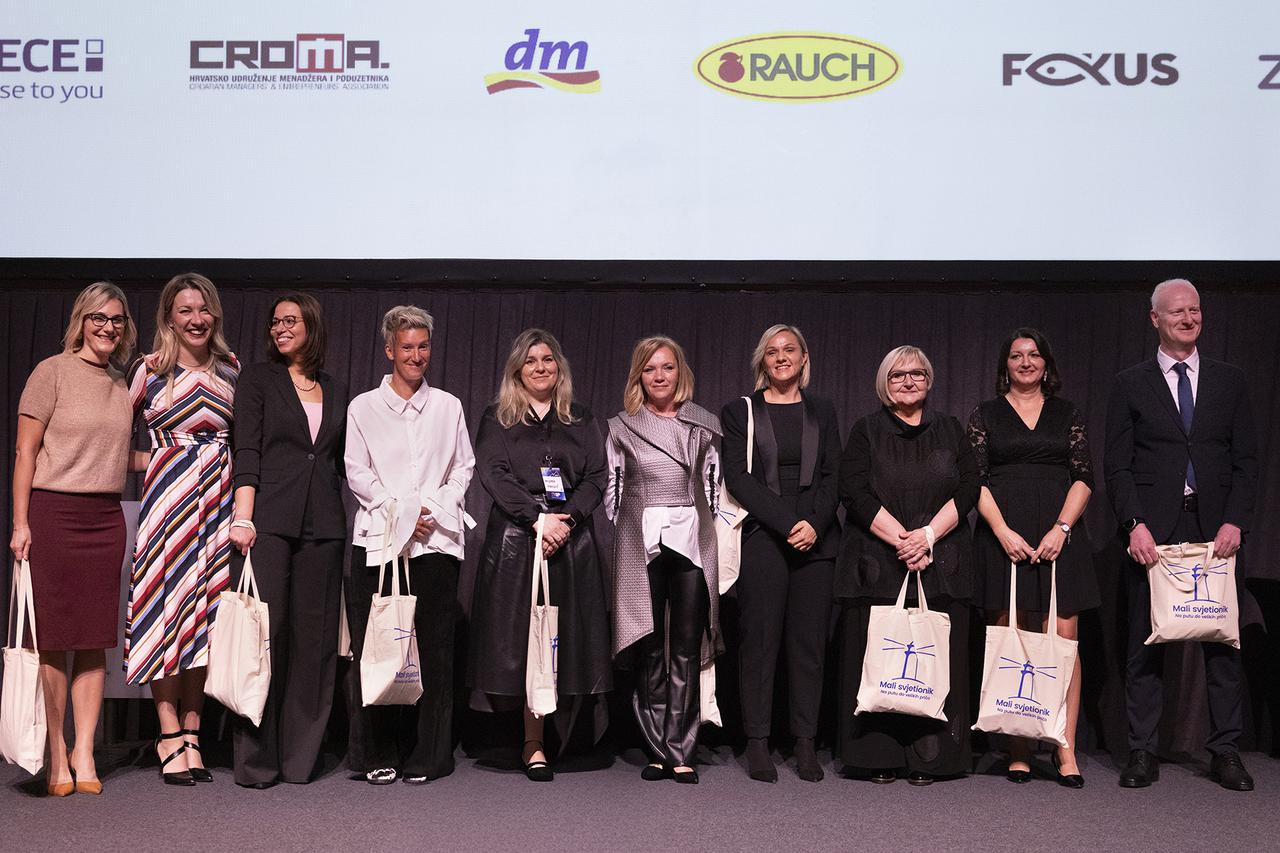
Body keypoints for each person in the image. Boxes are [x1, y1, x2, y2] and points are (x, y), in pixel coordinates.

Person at [1105, 278, 1257, 791]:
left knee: (1223, 646)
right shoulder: (1130, 383)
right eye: (1177, 312)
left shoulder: (1230, 380)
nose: (1189, 319)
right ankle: (1142, 752)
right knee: (1146, 645)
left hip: (1217, 531)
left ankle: (1225, 751)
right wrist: (1134, 524)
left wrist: (1236, 520)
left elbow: (1247, 461)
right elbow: (1117, 466)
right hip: (1152, 532)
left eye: (1194, 310)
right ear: (1155, 319)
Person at [468, 329, 611, 782]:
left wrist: (564, 521)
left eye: (548, 359)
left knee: (565, 640)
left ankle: (566, 737)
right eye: (530, 361)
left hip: (571, 540)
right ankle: (533, 742)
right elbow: (494, 473)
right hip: (517, 541)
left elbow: (597, 476)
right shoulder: (498, 417)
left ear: (559, 366)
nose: (540, 367)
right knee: (529, 639)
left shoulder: (581, 418)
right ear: (517, 369)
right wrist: (538, 520)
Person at [10, 282, 136, 796]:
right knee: (55, 639)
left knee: (94, 638)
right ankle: (56, 750)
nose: (108, 327)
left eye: (117, 319)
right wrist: (20, 523)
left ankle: (85, 750)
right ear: (81, 321)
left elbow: (116, 455)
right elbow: (25, 452)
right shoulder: (52, 372)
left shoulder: (121, 381)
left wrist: (185, 457)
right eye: (98, 318)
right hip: (54, 514)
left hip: (105, 519)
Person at [836, 345, 978, 786]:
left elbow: (970, 487)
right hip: (877, 563)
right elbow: (853, 491)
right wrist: (904, 540)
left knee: (933, 661)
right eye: (897, 375)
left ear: (929, 380)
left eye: (917, 373)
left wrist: (928, 536)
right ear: (884, 383)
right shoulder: (866, 430)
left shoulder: (951, 429)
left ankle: (930, 758)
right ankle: (878, 753)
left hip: (942, 562)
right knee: (882, 660)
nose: (908, 381)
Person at [344, 305, 474, 786]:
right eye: (406, 347)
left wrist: (431, 509)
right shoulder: (363, 407)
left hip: (436, 541)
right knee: (380, 648)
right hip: (380, 543)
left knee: (435, 652)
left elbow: (463, 467)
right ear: (389, 350)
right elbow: (357, 471)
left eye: (422, 346)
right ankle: (380, 752)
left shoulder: (448, 406)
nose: (415, 356)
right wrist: (399, 513)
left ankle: (429, 755)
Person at [967, 328, 1097, 787]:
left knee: (1063, 641)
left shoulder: (1068, 413)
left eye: (1034, 354)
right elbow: (974, 480)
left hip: (1059, 534)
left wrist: (1062, 528)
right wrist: (1002, 532)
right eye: (1017, 355)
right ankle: (1018, 746)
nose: (1025, 362)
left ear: (1046, 364)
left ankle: (1064, 745)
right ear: (1005, 364)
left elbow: (1083, 476)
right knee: (1012, 636)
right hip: (1003, 534)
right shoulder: (985, 414)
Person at [229, 293, 348, 788]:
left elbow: (341, 462)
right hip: (269, 524)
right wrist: (243, 517)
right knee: (265, 638)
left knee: (314, 646)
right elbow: (247, 450)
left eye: (290, 320)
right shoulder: (258, 379)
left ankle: (301, 759)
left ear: (311, 326)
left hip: (325, 528)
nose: (280, 328)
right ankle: (257, 761)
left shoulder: (336, 389)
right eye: (275, 321)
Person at [125, 273, 239, 785]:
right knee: (165, 614)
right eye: (185, 310)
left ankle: (193, 733)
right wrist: (159, 461)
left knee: (205, 620)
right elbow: (112, 439)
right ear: (169, 318)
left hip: (217, 508)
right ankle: (167, 731)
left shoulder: (230, 369)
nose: (196, 319)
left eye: (203, 309)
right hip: (167, 507)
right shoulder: (149, 370)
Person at [720, 324, 841, 783]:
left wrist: (813, 524)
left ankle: (805, 742)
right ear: (762, 361)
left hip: (817, 539)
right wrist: (788, 524)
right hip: (764, 537)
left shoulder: (823, 409)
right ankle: (757, 741)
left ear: (804, 358)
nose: (782, 357)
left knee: (809, 646)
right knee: (760, 641)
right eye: (772, 351)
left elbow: (833, 475)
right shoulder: (741, 411)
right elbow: (738, 477)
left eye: (790, 349)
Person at [606, 335, 722, 784]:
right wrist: (629, 527)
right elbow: (613, 491)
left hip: (691, 539)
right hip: (641, 541)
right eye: (650, 368)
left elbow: (713, 488)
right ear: (639, 376)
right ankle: (658, 748)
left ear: (680, 373)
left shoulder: (702, 425)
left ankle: (681, 747)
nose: (659, 376)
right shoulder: (621, 426)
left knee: (686, 646)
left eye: (667, 367)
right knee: (651, 645)